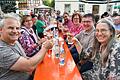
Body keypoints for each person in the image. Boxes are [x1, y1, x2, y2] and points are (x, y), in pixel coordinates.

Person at [0, 13, 53, 80]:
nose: (15, 31)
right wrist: (45, 47)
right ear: (1, 30)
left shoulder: (14, 41)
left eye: (17, 28)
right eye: (10, 28)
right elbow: (29, 66)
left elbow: (25, 58)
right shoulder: (2, 48)